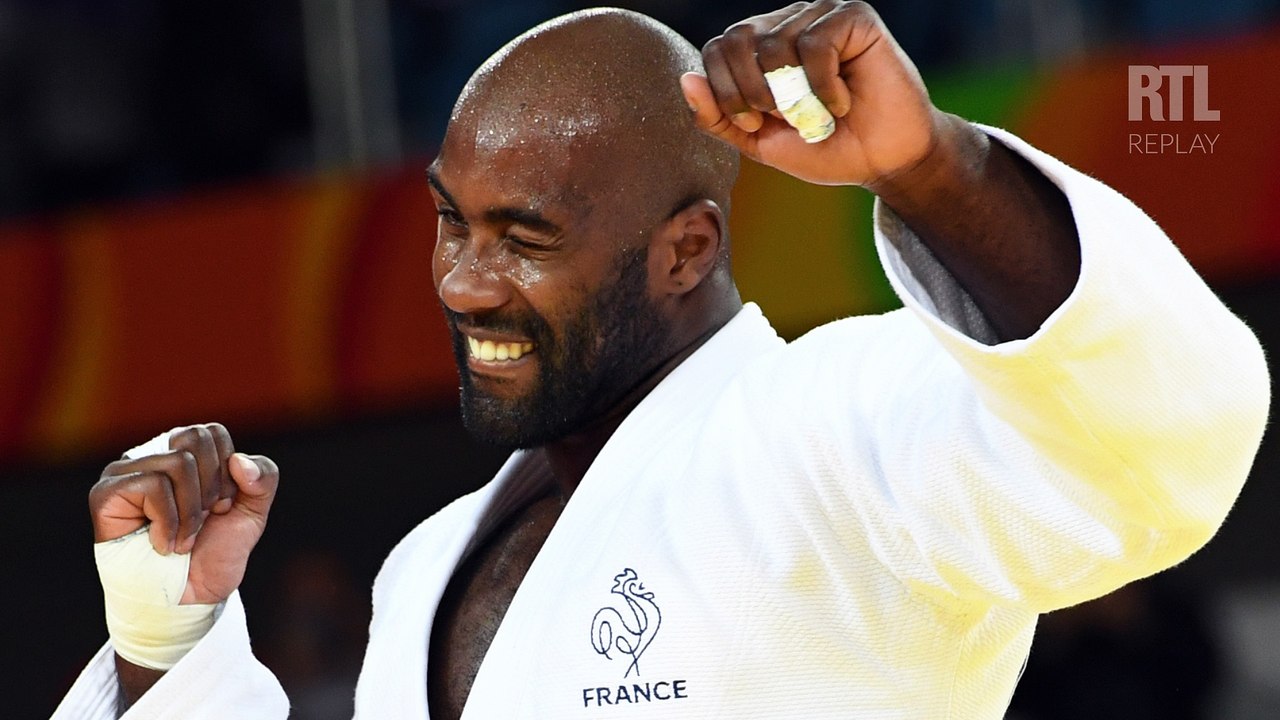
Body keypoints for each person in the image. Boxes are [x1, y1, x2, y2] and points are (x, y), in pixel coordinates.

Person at [54, 2, 1269, 718]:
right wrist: (165, 644)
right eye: (448, 220)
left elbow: (1156, 442)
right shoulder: (426, 566)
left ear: (684, 249)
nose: (464, 281)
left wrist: (932, 167)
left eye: (524, 237)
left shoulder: (825, 436)